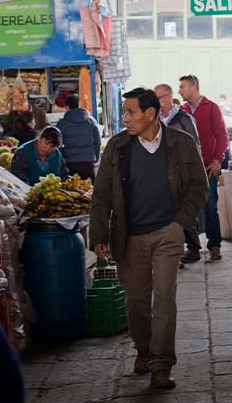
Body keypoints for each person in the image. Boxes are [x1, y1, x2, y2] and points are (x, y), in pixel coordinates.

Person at [89, 88, 208, 390]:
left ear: (150, 114)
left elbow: (199, 186)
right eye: (125, 112)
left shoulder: (182, 143)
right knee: (136, 302)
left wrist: (180, 223)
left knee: (165, 300)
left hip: (168, 232)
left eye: (131, 112)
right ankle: (144, 349)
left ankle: (161, 365)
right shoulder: (117, 148)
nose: (125, 118)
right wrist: (99, 234)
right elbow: (101, 195)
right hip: (130, 236)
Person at [179, 75, 229, 261]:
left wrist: (217, 160)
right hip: (187, 169)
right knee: (188, 209)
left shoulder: (211, 108)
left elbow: (222, 136)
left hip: (208, 167)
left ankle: (214, 245)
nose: (180, 91)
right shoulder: (182, 111)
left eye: (182, 87)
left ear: (193, 87)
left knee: (209, 207)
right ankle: (193, 249)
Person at [155, 83, 203, 266]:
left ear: (168, 97)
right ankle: (175, 249)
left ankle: (193, 247)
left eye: (158, 98)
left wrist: (193, 172)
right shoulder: (156, 120)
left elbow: (195, 145)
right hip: (163, 172)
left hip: (183, 171)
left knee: (185, 208)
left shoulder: (184, 119)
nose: (157, 102)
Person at [57, 95, 101, 182]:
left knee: (72, 191)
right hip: (88, 163)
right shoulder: (91, 121)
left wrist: (61, 161)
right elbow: (97, 142)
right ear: (79, 105)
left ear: (67, 107)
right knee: (90, 191)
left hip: (70, 163)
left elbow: (59, 145)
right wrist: (95, 157)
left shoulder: (62, 124)